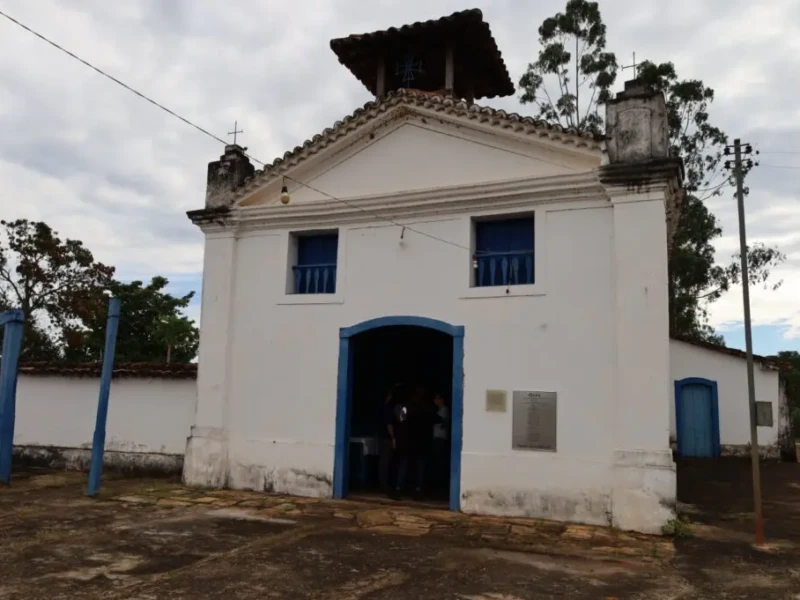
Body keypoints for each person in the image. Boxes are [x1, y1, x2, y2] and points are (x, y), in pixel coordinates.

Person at [431, 393, 450, 495]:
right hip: (437, 438)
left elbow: (441, 421)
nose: (435, 400)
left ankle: (439, 486)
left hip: (440, 438)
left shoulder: (444, 410)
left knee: (439, 462)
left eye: (436, 398)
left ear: (442, 400)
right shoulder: (440, 410)